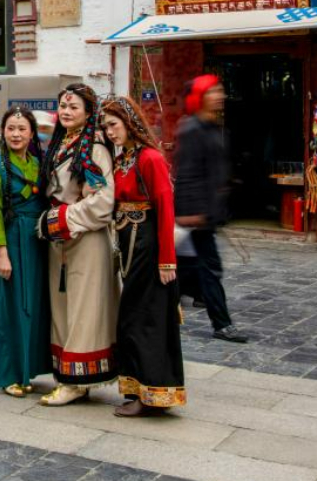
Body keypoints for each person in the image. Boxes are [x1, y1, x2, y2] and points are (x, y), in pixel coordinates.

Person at [101, 96, 186, 417]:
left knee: (143, 320)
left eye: (113, 124)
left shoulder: (149, 159)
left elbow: (165, 209)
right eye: (105, 127)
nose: (109, 132)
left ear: (128, 122)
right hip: (129, 246)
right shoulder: (124, 159)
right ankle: (143, 391)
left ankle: (150, 393)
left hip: (148, 247)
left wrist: (167, 260)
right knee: (134, 318)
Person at [37, 83, 118, 406]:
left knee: (84, 308)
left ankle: (77, 380)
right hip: (60, 238)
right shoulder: (62, 144)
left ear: (88, 113)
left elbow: (105, 199)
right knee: (64, 306)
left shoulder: (94, 148)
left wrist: (66, 218)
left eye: (74, 107)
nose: (67, 112)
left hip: (85, 238)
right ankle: (66, 375)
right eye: (63, 106)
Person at [0, 107, 51, 397]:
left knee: (35, 308)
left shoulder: (40, 164)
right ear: (3, 132)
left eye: (22, 129)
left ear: (32, 133)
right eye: (11, 128)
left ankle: (29, 369)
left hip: (38, 243)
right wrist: (2, 253)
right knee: (10, 310)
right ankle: (10, 374)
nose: (16, 134)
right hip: (11, 241)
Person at [175, 75, 248, 343]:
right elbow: (187, 173)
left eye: (220, 90)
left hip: (207, 213)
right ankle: (222, 323)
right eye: (214, 91)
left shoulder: (214, 127)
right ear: (201, 97)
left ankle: (172, 307)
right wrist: (189, 211)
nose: (221, 95)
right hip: (196, 215)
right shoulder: (191, 129)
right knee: (208, 269)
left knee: (190, 269)